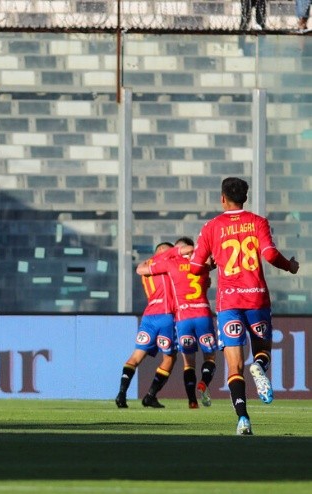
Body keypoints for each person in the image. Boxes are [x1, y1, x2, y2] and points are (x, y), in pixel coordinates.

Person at [189, 177, 299, 435]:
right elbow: (270, 254)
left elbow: (194, 268)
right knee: (262, 351)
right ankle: (259, 367)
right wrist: (290, 266)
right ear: (245, 198)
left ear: (222, 198)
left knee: (234, 366)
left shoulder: (211, 227)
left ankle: (243, 419)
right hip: (256, 297)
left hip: (229, 302)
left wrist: (209, 266)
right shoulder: (258, 222)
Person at [136, 237, 218, 409]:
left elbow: (141, 270)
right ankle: (204, 382)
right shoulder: (202, 263)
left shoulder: (171, 264)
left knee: (188, 363)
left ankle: (192, 401)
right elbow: (214, 262)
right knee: (210, 357)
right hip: (203, 315)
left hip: (183, 318)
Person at [115, 242, 177, 409]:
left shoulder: (145, 266)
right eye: (170, 251)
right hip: (166, 315)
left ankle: (121, 393)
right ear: (162, 251)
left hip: (149, 317)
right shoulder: (164, 264)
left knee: (136, 356)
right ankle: (150, 395)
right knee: (169, 357)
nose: (172, 255)